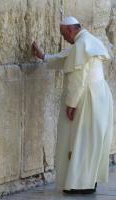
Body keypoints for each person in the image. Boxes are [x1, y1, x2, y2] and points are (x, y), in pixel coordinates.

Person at [32, 16, 113, 194]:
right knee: (92, 140)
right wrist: (44, 56)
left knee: (80, 139)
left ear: (70, 30)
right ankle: (89, 181)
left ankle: (79, 184)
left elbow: (78, 78)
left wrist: (71, 104)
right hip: (100, 95)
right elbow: (66, 57)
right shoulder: (88, 40)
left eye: (63, 34)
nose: (63, 38)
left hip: (86, 98)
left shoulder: (81, 44)